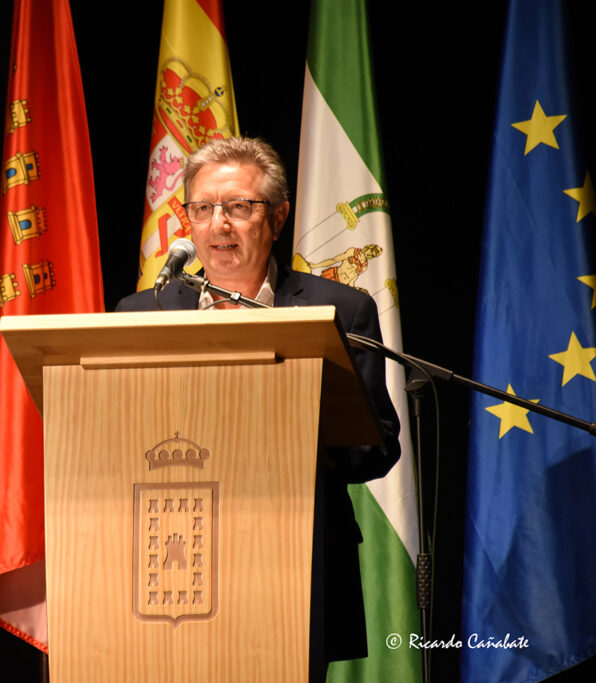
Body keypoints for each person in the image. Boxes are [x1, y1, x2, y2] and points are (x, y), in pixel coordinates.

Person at [115, 136, 402, 680]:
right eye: (203, 208)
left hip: (297, 552)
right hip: (173, 554)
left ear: (278, 217)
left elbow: (377, 446)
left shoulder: (341, 310)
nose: (218, 224)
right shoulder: (142, 313)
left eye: (239, 207)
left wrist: (287, 432)